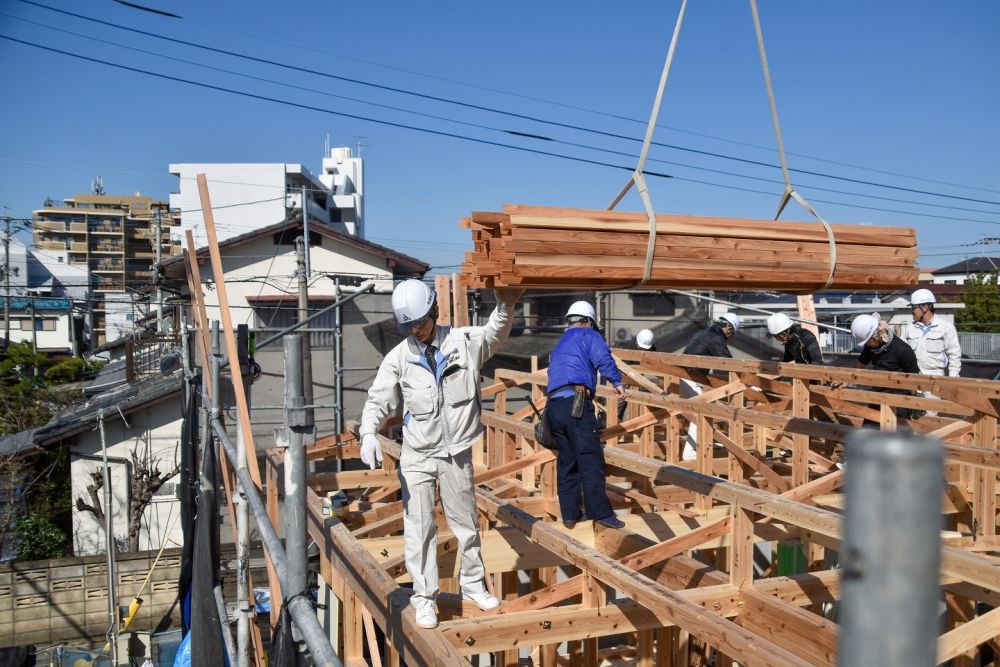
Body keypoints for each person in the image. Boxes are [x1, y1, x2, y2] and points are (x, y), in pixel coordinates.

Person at [359, 279, 522, 629]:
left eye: (419, 321)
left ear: (434, 311)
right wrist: (368, 431)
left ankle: (474, 585)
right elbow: (378, 398)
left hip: (456, 453)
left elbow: (494, 334)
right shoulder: (399, 359)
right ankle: (425, 599)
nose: (415, 330)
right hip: (417, 455)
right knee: (420, 529)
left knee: (465, 523)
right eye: (408, 325)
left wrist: (506, 306)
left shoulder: (462, 343)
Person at [546, 301, 627, 530]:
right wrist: (617, 382)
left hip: (555, 406)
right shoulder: (589, 335)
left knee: (567, 461)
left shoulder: (561, 343)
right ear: (589, 321)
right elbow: (603, 357)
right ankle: (601, 513)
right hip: (577, 403)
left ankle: (570, 514)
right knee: (590, 458)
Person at [678, 313, 740, 460]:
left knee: (705, 407)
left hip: (685, 377)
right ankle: (691, 452)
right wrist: (745, 380)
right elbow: (727, 362)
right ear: (728, 327)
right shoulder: (715, 338)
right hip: (689, 378)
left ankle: (705, 441)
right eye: (731, 333)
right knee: (701, 409)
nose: (730, 337)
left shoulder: (704, 332)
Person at [850, 313, 922, 420]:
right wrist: (846, 379)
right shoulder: (871, 347)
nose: (867, 345)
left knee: (897, 435)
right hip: (878, 397)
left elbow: (915, 379)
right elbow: (860, 365)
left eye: (868, 342)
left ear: (876, 337)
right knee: (868, 432)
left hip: (899, 401)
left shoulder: (903, 350)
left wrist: (915, 403)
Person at [900, 289, 961, 378]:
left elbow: (954, 357)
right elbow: (901, 354)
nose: (911, 311)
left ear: (925, 307)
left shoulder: (946, 328)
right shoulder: (908, 329)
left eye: (913, 307)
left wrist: (951, 381)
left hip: (936, 381)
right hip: (913, 379)